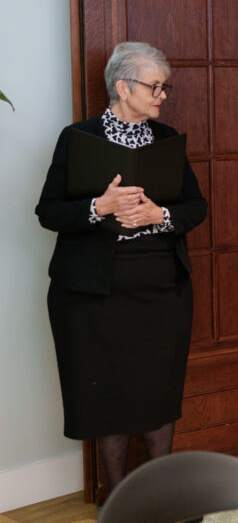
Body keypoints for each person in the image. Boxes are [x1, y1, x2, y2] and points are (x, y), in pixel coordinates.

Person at [36, 42, 207, 496]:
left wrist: (160, 216)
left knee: (158, 396)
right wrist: (99, 206)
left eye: (164, 87)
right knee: (106, 399)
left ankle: (163, 498)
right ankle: (117, 502)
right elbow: (48, 212)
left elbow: (196, 206)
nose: (163, 95)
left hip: (161, 290)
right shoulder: (77, 138)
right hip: (94, 294)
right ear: (122, 86)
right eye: (155, 86)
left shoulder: (167, 139)